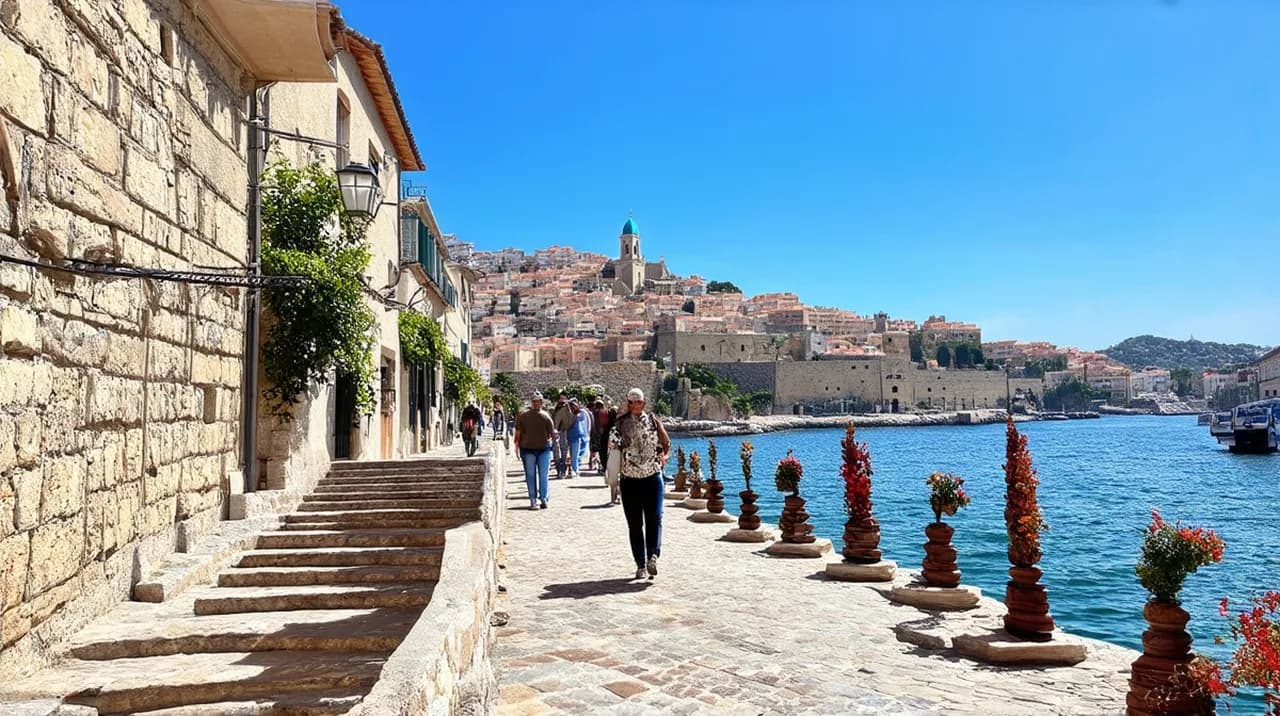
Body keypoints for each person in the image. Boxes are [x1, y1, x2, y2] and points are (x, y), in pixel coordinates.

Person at [609, 387, 671, 580]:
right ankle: (640, 564)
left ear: (644, 403)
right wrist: (613, 477)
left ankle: (653, 555)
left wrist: (664, 456)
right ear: (628, 403)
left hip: (653, 477)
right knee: (635, 524)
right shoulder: (620, 424)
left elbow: (666, 443)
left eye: (639, 402)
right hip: (630, 480)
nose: (636, 405)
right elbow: (613, 448)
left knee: (655, 518)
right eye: (632, 402)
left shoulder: (653, 421)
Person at [514, 392, 555, 510]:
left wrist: (516, 445)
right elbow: (552, 435)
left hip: (536, 449)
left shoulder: (526, 416)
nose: (537, 403)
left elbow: (518, 433)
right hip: (535, 449)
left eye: (538, 401)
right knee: (537, 475)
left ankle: (539, 499)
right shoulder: (545, 416)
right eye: (536, 401)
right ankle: (538, 499)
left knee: (536, 475)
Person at [566, 398, 592, 479]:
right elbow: (584, 420)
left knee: (573, 454)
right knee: (575, 454)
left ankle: (573, 469)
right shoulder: (578, 414)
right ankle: (575, 470)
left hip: (571, 435)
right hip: (576, 436)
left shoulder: (571, 414)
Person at [551, 392, 574, 478]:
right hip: (559, 431)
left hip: (562, 431)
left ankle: (562, 470)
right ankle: (560, 470)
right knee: (558, 451)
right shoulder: (559, 407)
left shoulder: (565, 408)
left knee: (561, 451)